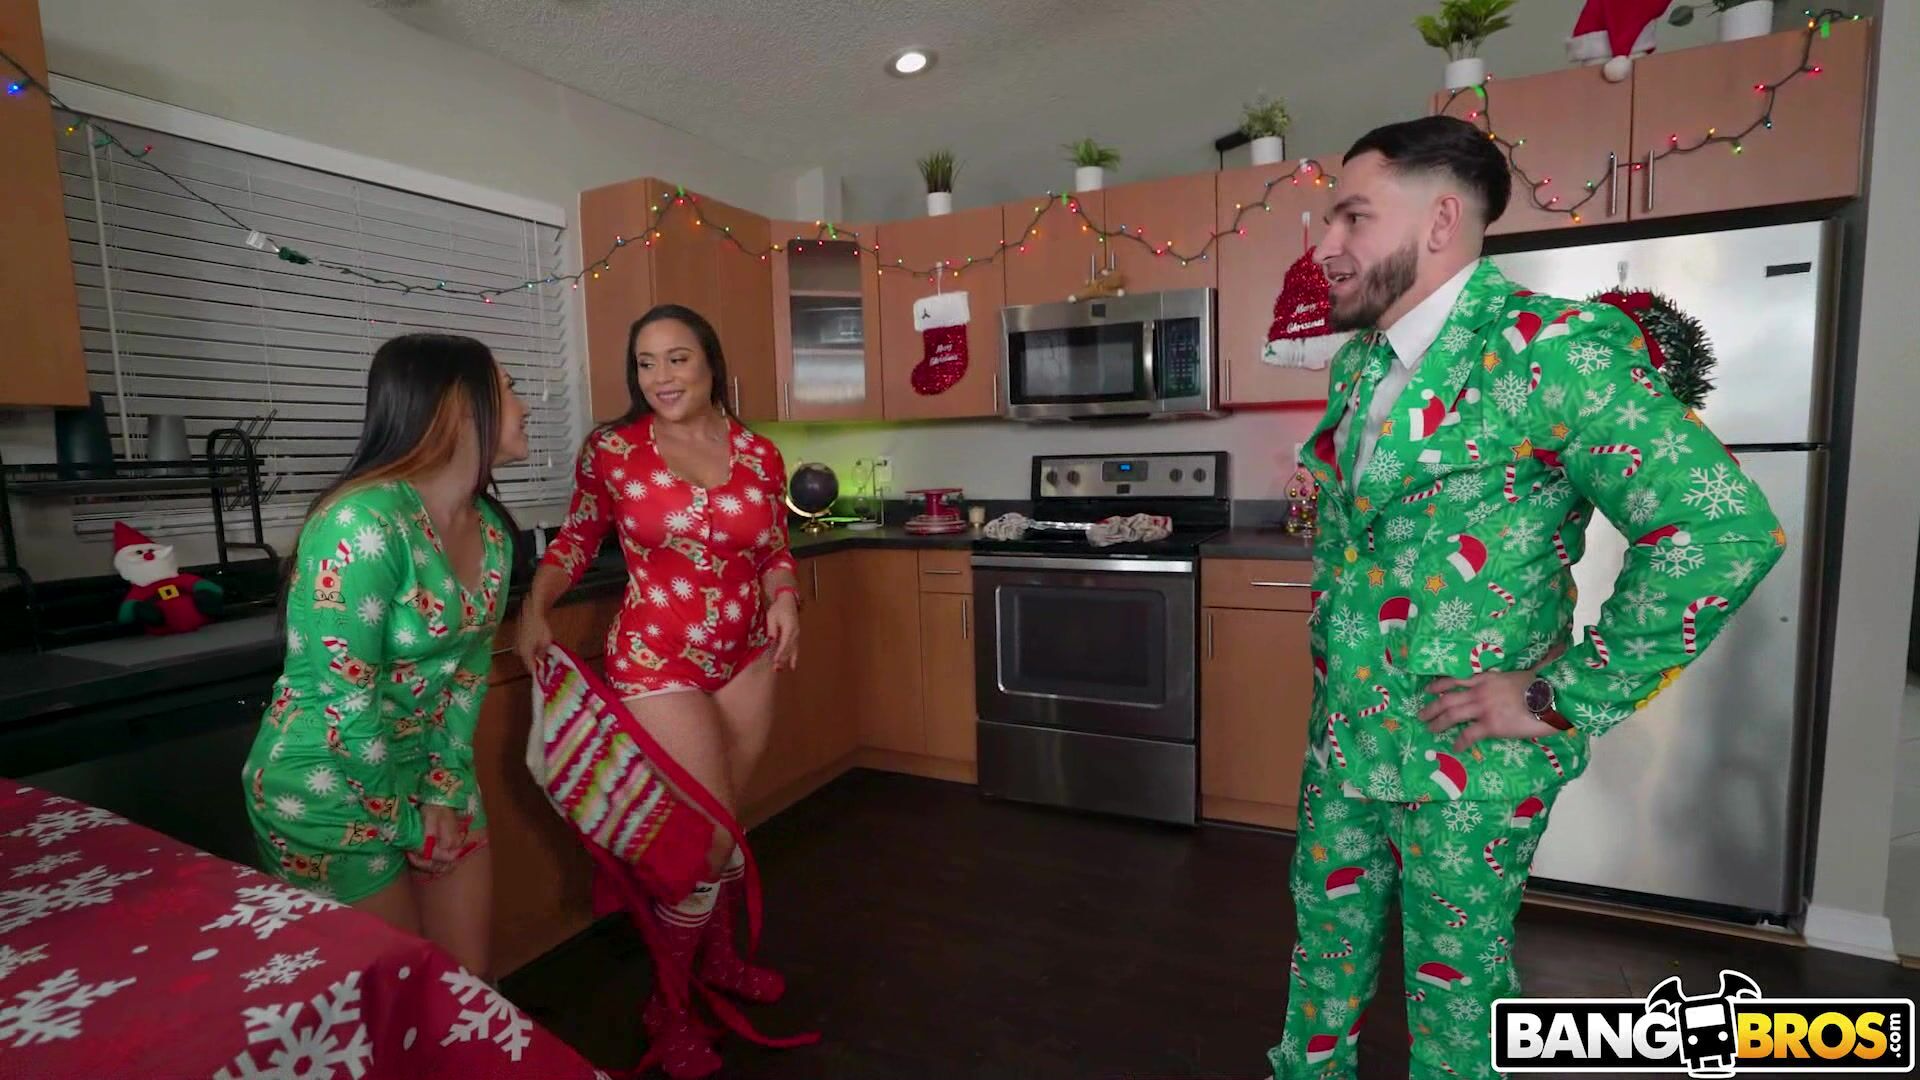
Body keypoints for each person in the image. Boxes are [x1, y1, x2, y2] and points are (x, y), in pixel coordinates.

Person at [1269, 115, 1785, 1080]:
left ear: (1440, 221)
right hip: (1345, 736)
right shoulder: (1360, 364)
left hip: (1468, 760)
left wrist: (1557, 695)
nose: (1325, 248)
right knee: (1321, 965)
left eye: (1351, 218)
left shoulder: (1552, 349)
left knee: (1458, 1001)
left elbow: (1722, 532)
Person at [518, 303, 801, 1076]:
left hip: (747, 657)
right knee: (702, 840)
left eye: (677, 359)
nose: (661, 377)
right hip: (656, 656)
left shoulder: (760, 453)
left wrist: (784, 598)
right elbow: (577, 539)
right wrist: (535, 607)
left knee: (726, 826)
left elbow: (774, 548)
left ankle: (718, 961)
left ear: (710, 363)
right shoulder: (613, 450)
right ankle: (668, 1009)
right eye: (646, 363)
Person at [242, 332, 528, 978]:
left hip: (428, 772)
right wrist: (403, 823)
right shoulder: (362, 524)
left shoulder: (491, 532)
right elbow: (347, 704)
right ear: (459, 407)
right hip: (327, 787)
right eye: (509, 388)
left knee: (464, 989)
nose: (525, 405)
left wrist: (443, 788)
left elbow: (467, 675)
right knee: (395, 1000)